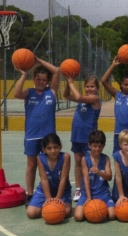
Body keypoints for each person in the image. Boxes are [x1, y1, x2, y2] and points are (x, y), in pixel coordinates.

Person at [13, 56, 60, 206]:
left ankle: (51, 192)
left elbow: (57, 71)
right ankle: (30, 193)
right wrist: (23, 75)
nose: (41, 82)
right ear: (34, 79)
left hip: (48, 137)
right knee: (32, 165)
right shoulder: (29, 92)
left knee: (50, 165)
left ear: (47, 81)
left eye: (44, 79)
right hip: (32, 136)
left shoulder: (51, 91)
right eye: (38, 79)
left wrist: (38, 60)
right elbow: (16, 93)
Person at [63, 75, 101, 202]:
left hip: (89, 137)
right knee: (78, 162)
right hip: (77, 135)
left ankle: (93, 188)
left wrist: (71, 80)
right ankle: (79, 188)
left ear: (97, 88)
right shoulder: (82, 100)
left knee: (91, 163)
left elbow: (78, 96)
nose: (89, 89)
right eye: (87, 86)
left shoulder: (95, 99)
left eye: (92, 86)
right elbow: (66, 95)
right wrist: (68, 83)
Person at [101, 53, 128, 154]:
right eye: (125, 84)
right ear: (121, 84)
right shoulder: (117, 95)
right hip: (119, 132)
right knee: (118, 157)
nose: (127, 87)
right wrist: (113, 65)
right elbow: (103, 81)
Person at [26, 133, 71, 219]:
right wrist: (49, 198)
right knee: (31, 213)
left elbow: (63, 179)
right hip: (44, 191)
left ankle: (48, 208)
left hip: (63, 190)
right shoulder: (40, 158)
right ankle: (45, 208)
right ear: (44, 149)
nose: (53, 151)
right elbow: (44, 180)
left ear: (60, 147)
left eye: (55, 147)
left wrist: (58, 198)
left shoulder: (65, 157)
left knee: (66, 212)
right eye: (49, 148)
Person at [74, 130, 115, 221]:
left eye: (100, 146)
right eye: (94, 146)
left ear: (103, 146)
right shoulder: (84, 159)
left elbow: (109, 177)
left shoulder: (106, 158)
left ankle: (98, 210)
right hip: (87, 193)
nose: (97, 148)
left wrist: (99, 172)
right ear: (89, 145)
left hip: (103, 193)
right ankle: (90, 210)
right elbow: (86, 180)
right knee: (78, 217)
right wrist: (89, 197)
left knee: (112, 215)